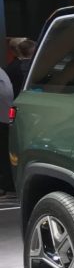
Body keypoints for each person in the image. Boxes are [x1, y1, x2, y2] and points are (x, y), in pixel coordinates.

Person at [0, 64, 14, 199]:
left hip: (3, 119)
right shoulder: (3, 72)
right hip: (5, 118)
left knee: (4, 153)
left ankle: (6, 185)